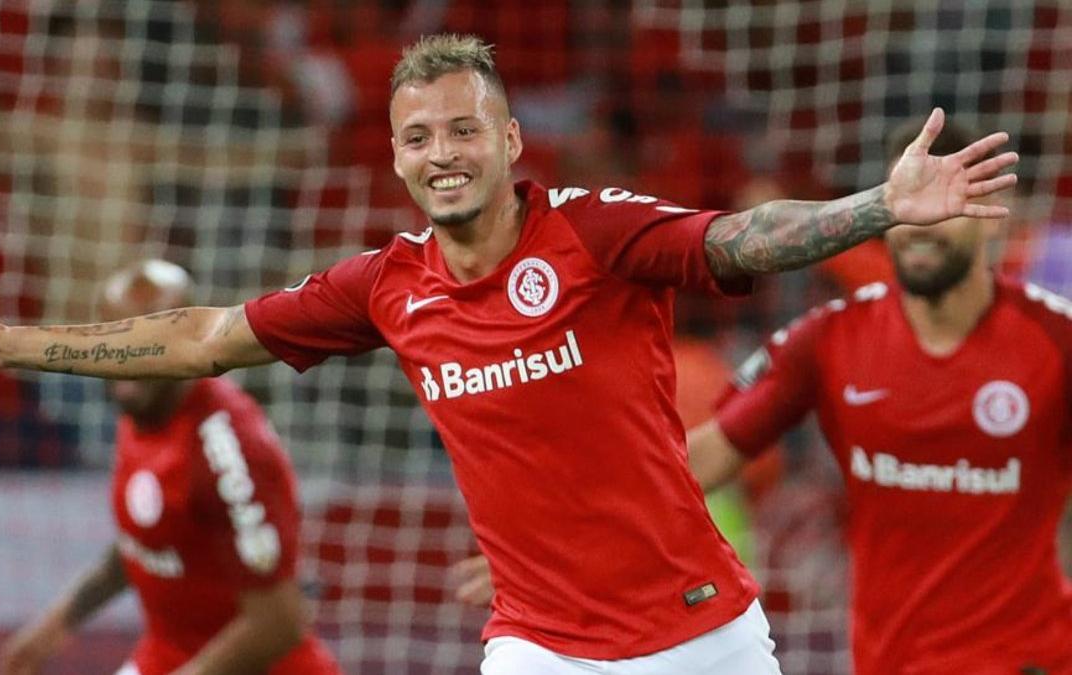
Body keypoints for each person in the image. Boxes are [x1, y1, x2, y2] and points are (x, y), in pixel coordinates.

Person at [0, 35, 1018, 674]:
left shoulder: (594, 231)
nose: (442, 155)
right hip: (535, 646)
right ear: (395, 158)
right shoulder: (386, 286)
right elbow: (203, 339)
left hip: (700, 637)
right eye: (418, 138)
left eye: (463, 130)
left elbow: (737, 240)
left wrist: (879, 205)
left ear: (510, 141)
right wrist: (13, 342)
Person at [455, 118, 1072, 674]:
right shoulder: (828, 340)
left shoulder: (1055, 343)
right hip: (891, 660)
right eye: (906, 210)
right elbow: (704, 456)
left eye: (942, 206)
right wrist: (558, 546)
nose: (920, 229)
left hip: (1032, 659)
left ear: (993, 207)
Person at [0, 260, 341, 675]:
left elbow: (278, 625)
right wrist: (54, 626)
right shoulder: (139, 410)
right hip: (168, 653)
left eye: (148, 339)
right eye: (114, 336)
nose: (127, 355)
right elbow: (149, 538)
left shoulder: (228, 450)